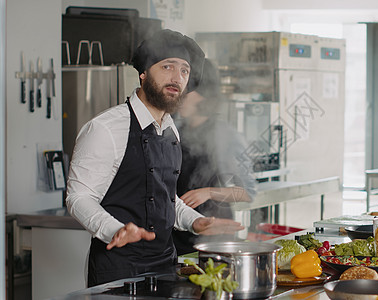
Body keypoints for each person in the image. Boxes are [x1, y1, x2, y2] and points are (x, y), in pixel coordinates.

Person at [65, 29, 244, 287]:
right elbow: (78, 197)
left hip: (165, 265)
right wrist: (115, 229)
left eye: (184, 70)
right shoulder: (105, 128)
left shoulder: (172, 131)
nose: (177, 77)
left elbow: (165, 197)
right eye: (167, 66)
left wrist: (195, 221)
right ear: (144, 73)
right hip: (117, 270)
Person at [172, 59, 256, 255]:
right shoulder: (175, 130)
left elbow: (246, 192)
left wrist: (208, 192)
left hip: (214, 237)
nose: (179, 93)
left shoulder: (223, 134)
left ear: (204, 96)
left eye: (187, 88)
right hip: (177, 235)